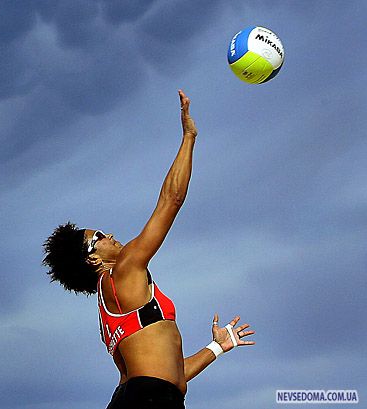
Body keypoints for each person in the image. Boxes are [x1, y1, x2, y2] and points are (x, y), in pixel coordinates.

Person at [42, 90, 255, 408]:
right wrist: (189, 137)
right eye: (99, 235)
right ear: (92, 258)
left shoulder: (113, 303)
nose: (110, 234)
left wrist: (217, 347)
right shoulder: (124, 268)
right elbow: (172, 200)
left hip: (151, 397)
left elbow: (171, 375)